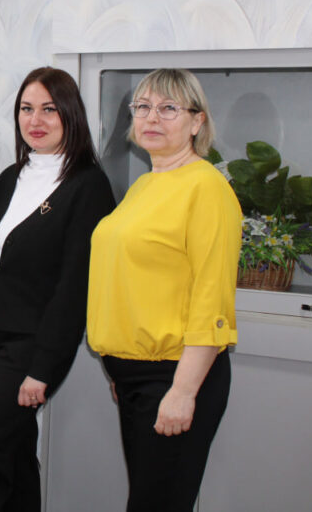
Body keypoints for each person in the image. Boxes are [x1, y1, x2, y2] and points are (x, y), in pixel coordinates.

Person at [0, 67, 117, 511]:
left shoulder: (88, 186)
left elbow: (74, 287)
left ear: (70, 115)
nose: (35, 120)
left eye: (49, 109)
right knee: (13, 452)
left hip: (32, 346)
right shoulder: (10, 178)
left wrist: (43, 368)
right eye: (26, 108)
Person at [87, 68, 242, 512]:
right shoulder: (145, 185)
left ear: (197, 121)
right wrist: (123, 368)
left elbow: (211, 299)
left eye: (169, 108)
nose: (152, 117)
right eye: (143, 107)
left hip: (173, 375)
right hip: (135, 376)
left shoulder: (206, 187)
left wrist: (182, 391)